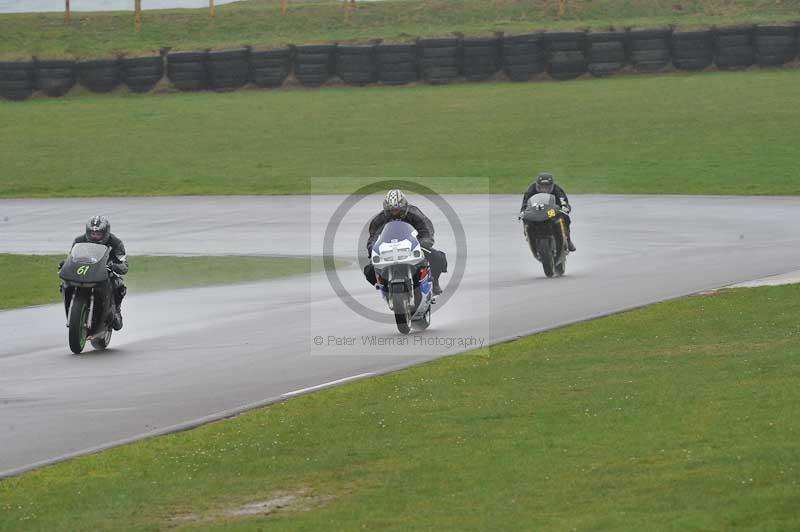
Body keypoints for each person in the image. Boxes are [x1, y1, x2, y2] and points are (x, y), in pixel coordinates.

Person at [364, 189, 446, 295]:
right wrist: (372, 248)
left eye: (397, 209)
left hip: (412, 247)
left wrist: (424, 243)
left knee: (438, 257)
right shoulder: (379, 220)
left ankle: (434, 282)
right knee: (369, 270)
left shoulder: (415, 214)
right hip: (388, 250)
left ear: (404, 206)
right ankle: (384, 286)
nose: (394, 212)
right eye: (391, 210)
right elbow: (373, 238)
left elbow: (426, 230)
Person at [71, 215, 128, 330]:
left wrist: (115, 266)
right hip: (85, 271)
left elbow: (124, 264)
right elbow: (71, 257)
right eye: (92, 233)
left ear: (105, 233)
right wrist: (66, 263)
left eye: (98, 234)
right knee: (65, 284)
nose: (95, 236)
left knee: (119, 284)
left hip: (106, 272)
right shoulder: (79, 241)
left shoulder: (115, 242)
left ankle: (116, 311)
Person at [520, 172, 576, 252]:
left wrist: (565, 208)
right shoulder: (531, 189)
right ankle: (528, 234)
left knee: (565, 217)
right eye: (542, 187)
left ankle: (568, 239)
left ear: (552, 186)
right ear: (537, 186)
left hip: (551, 212)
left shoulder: (557, 189)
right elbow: (525, 203)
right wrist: (522, 212)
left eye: (547, 187)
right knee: (526, 218)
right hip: (536, 212)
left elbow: (563, 201)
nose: (544, 189)